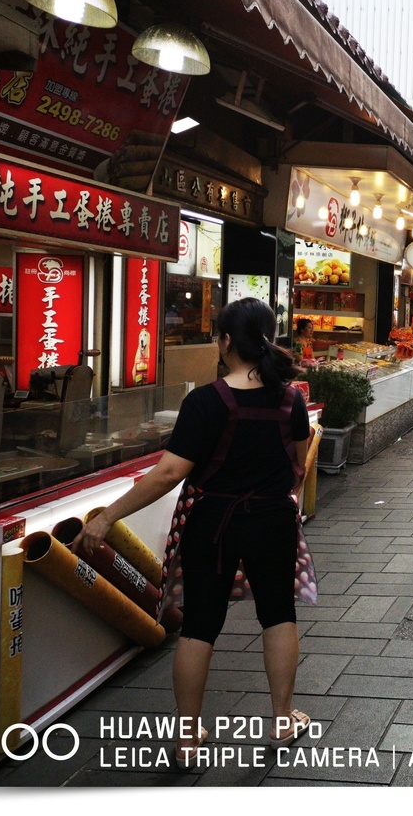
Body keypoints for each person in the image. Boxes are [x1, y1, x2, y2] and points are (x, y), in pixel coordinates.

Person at [74, 297, 312, 765]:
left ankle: (187, 738)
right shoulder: (291, 399)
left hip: (213, 521)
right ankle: (283, 719)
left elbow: (168, 474)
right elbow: (299, 466)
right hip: (272, 521)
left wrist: (106, 517)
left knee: (200, 624)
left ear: (225, 341)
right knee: (278, 614)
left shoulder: (205, 401)